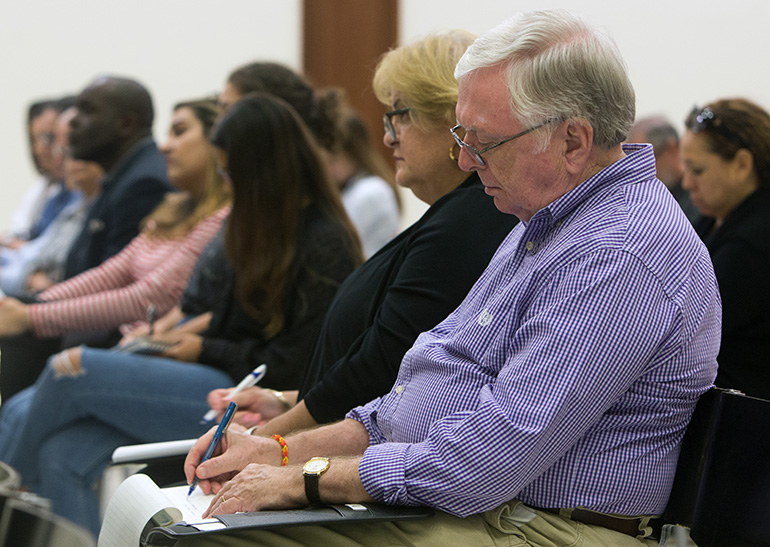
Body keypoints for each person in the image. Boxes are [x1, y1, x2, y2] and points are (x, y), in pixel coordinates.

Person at [179, 10, 721, 547]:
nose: (464, 159)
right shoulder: (547, 222)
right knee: (181, 522)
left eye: (484, 141)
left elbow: (484, 459)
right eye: (462, 135)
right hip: (493, 514)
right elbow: (420, 396)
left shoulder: (619, 253)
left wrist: (304, 478)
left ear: (573, 143)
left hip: (546, 530)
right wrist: (277, 451)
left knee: (199, 538)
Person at [0, 93, 361, 536]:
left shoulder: (322, 240)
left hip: (239, 395)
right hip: (210, 373)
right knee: (61, 453)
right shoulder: (250, 223)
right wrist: (177, 335)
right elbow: (215, 311)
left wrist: (198, 344)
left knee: (66, 367)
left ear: (261, 172)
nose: (225, 182)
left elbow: (293, 359)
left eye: (230, 172)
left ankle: (5, 510)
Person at [205, 30, 518, 438]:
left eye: (400, 113)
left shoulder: (467, 221)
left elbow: (383, 369)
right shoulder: (456, 215)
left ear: (449, 119)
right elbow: (390, 379)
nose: (389, 135)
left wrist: (269, 441)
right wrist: (286, 401)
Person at [0, 98, 230, 401]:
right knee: (21, 406)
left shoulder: (218, 218)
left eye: (179, 132)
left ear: (216, 144)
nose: (165, 146)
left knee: (47, 381)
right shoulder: (173, 210)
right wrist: (37, 303)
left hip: (145, 347)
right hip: (129, 341)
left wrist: (33, 316)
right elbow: (111, 273)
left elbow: (150, 295)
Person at [682, 98, 770, 399]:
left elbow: (684, 327)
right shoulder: (714, 218)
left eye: (698, 170)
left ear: (742, 164)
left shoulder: (754, 243)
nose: (687, 182)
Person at [63, 76, 172, 279]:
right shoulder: (122, 176)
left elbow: (111, 287)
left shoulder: (144, 185)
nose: (73, 121)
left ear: (126, 124)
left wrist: (32, 310)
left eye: (87, 110)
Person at [0, 106, 103, 297]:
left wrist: (29, 277)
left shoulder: (91, 207)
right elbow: (33, 255)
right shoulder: (70, 208)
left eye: (68, 151)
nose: (56, 156)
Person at [324, 104, 401, 257]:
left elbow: (335, 242)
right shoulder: (352, 188)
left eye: (333, 159)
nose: (328, 168)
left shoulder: (370, 191)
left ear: (354, 153)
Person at [628, 116, 700, 223]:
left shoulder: (699, 198)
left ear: (671, 148)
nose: (639, 171)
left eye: (645, 160)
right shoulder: (647, 200)